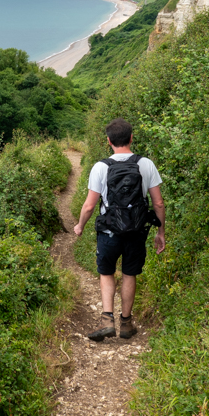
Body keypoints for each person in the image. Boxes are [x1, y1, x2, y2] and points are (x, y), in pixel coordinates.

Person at [74, 118, 165, 341]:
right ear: (131, 138)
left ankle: (107, 320)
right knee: (129, 273)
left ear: (109, 141)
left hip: (108, 231)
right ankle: (126, 323)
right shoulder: (146, 164)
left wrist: (80, 226)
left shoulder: (100, 167)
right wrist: (160, 233)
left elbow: (89, 205)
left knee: (106, 272)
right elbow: (159, 203)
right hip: (136, 231)